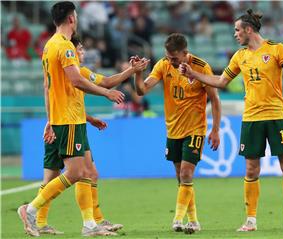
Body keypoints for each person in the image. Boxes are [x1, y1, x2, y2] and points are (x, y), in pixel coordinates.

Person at [179, 9, 283, 232]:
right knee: (251, 170)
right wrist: (193, 75)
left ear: (248, 29)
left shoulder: (276, 48)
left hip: (276, 115)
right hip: (251, 118)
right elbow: (220, 81)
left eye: (237, 30)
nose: (235, 34)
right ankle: (251, 220)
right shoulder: (239, 56)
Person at [17, 2, 124, 237]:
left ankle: (90, 225)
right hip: (68, 119)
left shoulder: (49, 46)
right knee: (75, 172)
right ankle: (31, 209)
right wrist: (106, 93)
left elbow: (48, 87)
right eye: (75, 15)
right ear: (71, 19)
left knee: (87, 172)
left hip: (66, 118)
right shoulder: (64, 47)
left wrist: (50, 118)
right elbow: (76, 80)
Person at [37, 35, 148, 235]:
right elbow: (59, 98)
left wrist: (132, 70)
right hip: (63, 125)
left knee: (88, 173)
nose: (83, 53)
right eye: (79, 49)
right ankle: (34, 213)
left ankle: (93, 221)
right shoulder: (69, 73)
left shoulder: (81, 72)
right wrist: (51, 121)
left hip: (72, 123)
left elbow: (106, 81)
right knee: (64, 175)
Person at [133, 33, 221, 234]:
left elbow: (214, 99)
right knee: (181, 179)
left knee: (186, 173)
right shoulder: (163, 65)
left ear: (185, 54)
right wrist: (137, 73)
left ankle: (178, 219)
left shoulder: (200, 66)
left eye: (174, 58)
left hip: (195, 128)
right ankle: (194, 221)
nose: (170, 61)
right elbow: (142, 90)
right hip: (173, 129)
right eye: (167, 56)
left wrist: (215, 129)